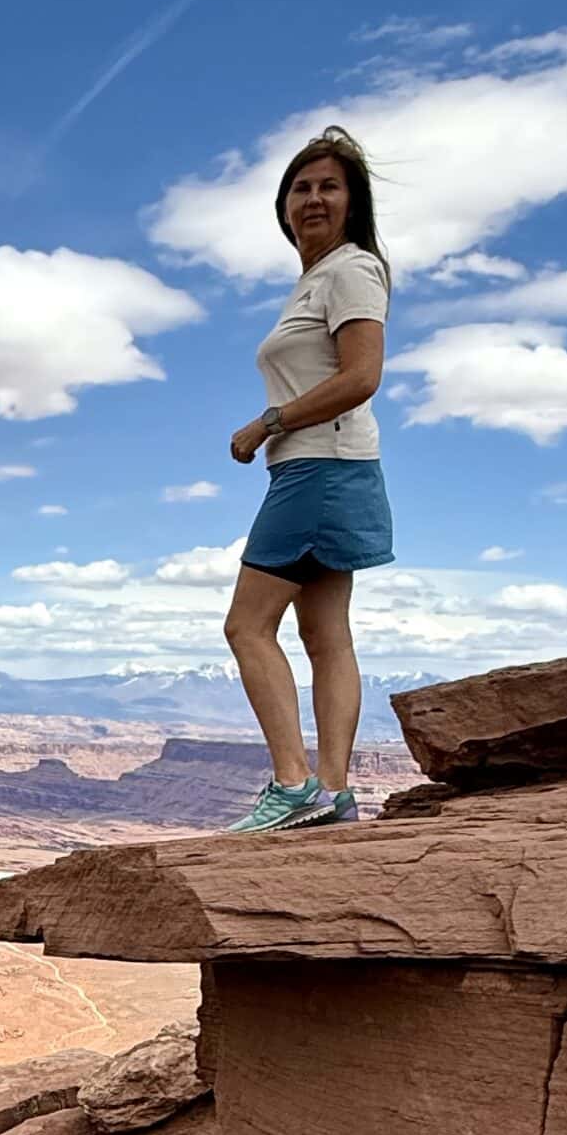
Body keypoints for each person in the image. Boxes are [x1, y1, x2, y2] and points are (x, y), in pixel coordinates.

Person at [220, 124, 393, 832]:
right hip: (334, 467)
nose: (313, 198)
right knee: (325, 635)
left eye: (328, 186)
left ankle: (293, 785)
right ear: (283, 207)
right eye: (301, 188)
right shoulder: (317, 280)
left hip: (317, 468)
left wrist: (268, 422)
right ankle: (332, 794)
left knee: (246, 626)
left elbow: (361, 376)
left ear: (352, 203)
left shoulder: (351, 269)